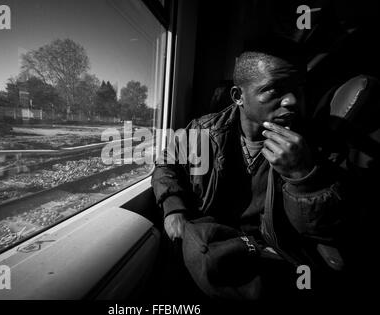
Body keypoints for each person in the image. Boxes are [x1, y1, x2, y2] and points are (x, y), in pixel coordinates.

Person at [151, 37, 352, 300]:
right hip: (215, 238)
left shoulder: (316, 145)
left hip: (271, 252)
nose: (292, 100)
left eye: (297, 89)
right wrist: (172, 207)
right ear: (238, 97)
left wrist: (302, 176)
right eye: (275, 90)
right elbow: (167, 162)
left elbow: (330, 228)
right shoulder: (204, 130)